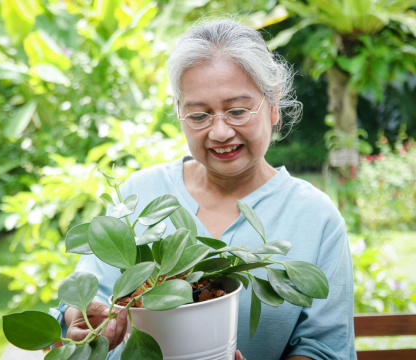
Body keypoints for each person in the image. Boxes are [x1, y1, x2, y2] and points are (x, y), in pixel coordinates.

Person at [50, 19, 356, 360]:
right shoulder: (140, 193)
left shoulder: (316, 217)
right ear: (180, 113)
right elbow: (84, 296)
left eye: (237, 111)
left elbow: (326, 349)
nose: (221, 132)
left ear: (273, 106)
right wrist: (78, 314)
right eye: (199, 116)